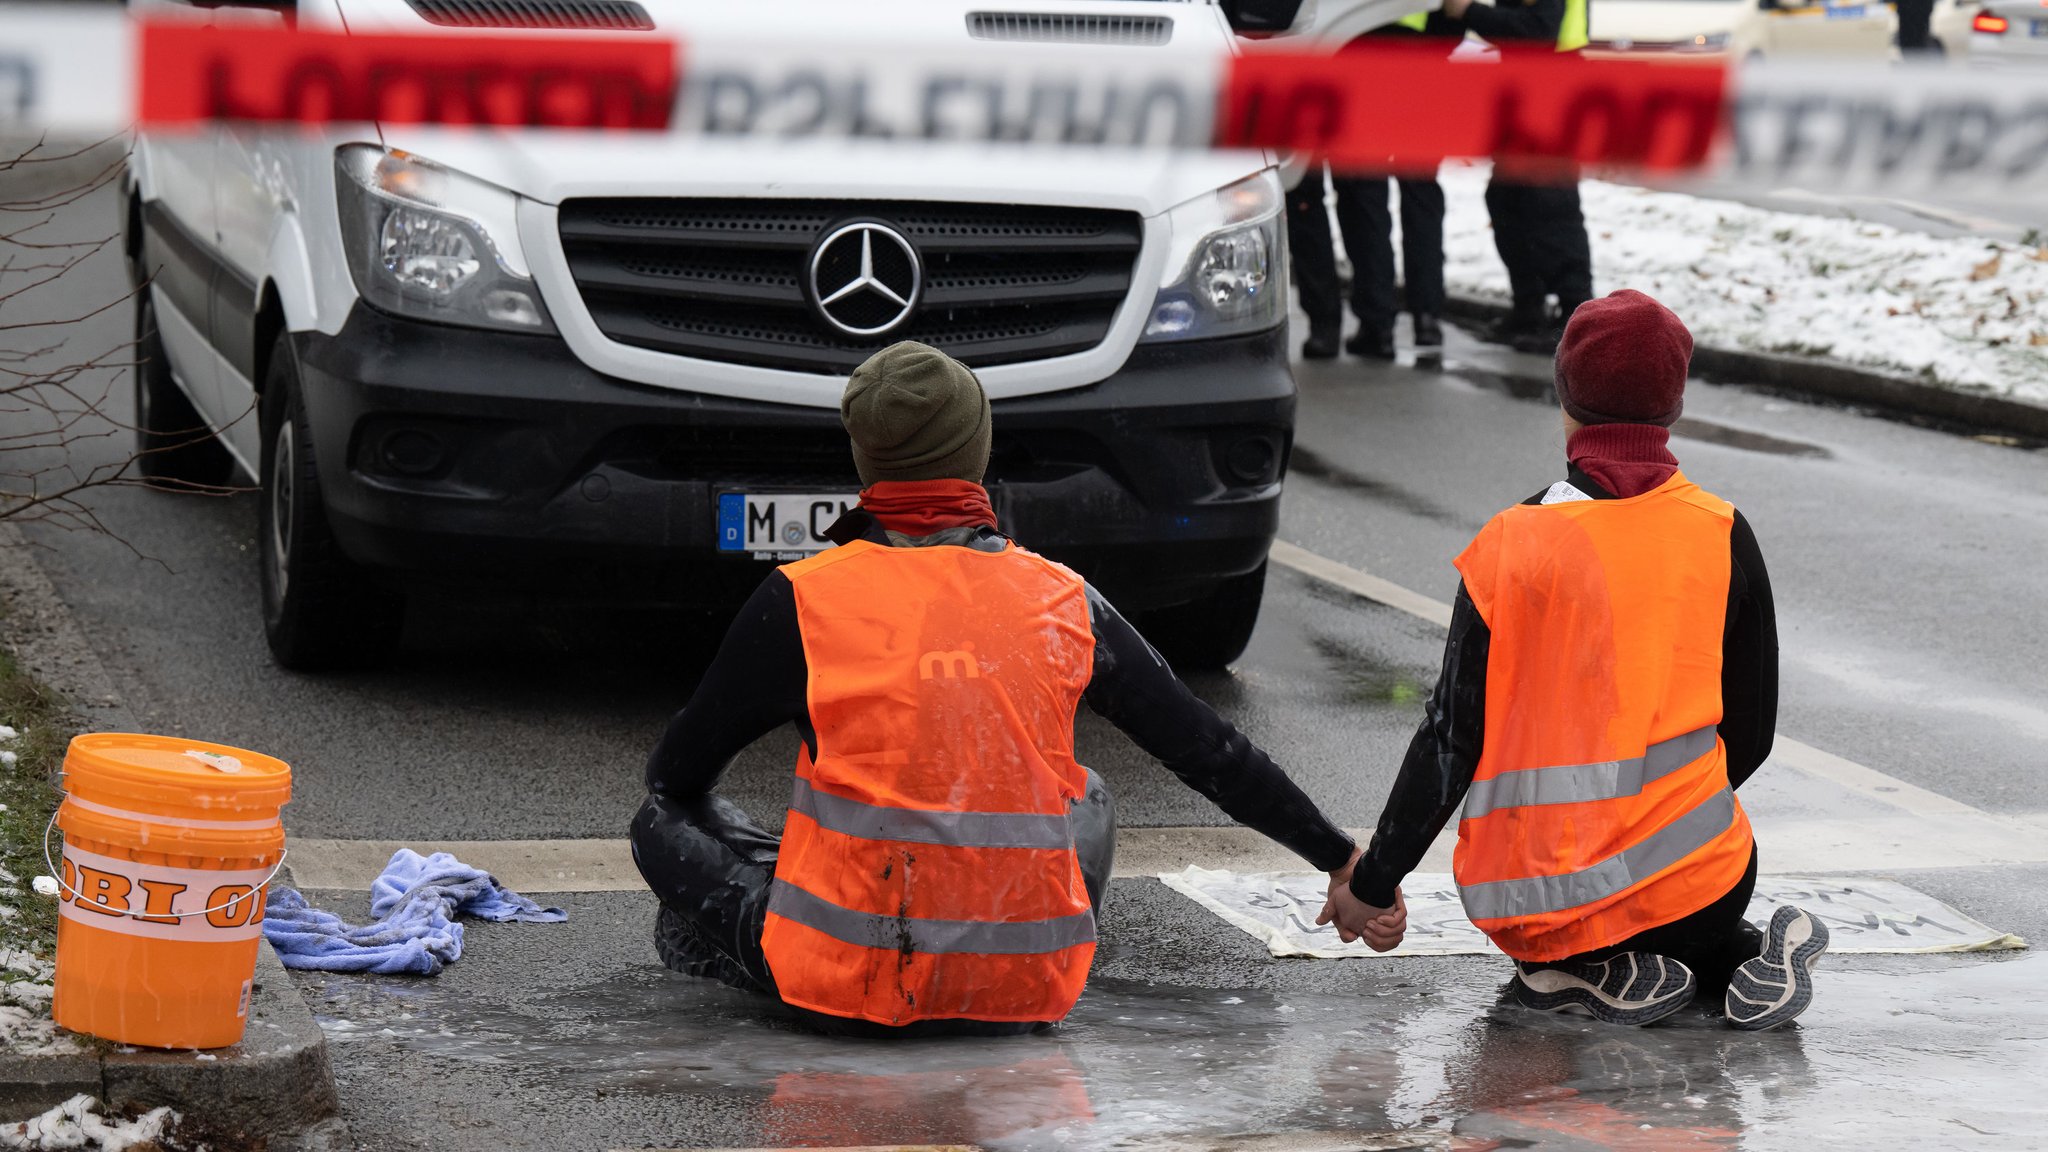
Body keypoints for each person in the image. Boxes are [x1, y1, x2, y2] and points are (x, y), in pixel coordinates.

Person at [631, 340, 1359, 1037]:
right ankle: (1011, 952)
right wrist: (1342, 860)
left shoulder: (805, 598)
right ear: (976, 452)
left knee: (659, 820)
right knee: (1090, 791)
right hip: (1026, 989)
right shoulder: (1062, 601)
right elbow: (1210, 751)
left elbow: (678, 774)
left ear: (867, 460)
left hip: (848, 990)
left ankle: (753, 967)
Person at [1320, 291, 1827, 1031]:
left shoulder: (1513, 544)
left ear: (1564, 399)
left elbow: (1449, 739)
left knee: (1564, 936)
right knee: (1684, 910)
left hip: (1545, 901)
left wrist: (1373, 881)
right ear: (1674, 406)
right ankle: (1745, 953)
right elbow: (1751, 734)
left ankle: (1585, 975)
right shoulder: (1721, 533)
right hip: (1706, 882)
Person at [1436, 0, 1595, 354]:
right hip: (1527, 86)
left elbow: (1537, 32)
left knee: (1551, 205)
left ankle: (1574, 315)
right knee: (1508, 200)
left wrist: (1468, 12)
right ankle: (1529, 308)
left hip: (1552, 85)